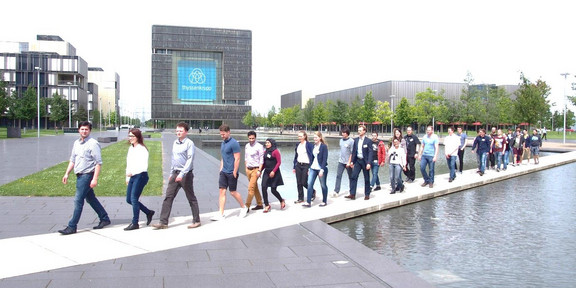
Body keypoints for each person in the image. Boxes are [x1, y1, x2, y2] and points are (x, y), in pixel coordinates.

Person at [58, 121, 111, 235]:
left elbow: (98, 163)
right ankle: (104, 218)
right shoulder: (76, 143)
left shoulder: (93, 143)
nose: (84, 131)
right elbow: (73, 159)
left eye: (86, 129)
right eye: (82, 129)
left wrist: (95, 178)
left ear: (90, 131)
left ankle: (72, 226)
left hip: (87, 175)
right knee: (90, 198)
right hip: (79, 174)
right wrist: (66, 173)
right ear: (79, 130)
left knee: (78, 200)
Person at [152, 122, 201, 229]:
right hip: (175, 173)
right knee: (168, 197)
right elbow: (174, 159)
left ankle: (196, 220)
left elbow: (190, 159)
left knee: (191, 197)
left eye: (181, 131)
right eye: (177, 130)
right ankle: (163, 222)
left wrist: (182, 174)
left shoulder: (189, 143)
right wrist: (171, 173)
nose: (178, 132)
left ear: (186, 132)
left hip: (186, 175)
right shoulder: (175, 143)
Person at [211, 124, 248, 221]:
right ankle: (221, 213)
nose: (222, 136)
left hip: (232, 172)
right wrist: (221, 168)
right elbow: (223, 157)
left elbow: (237, 158)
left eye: (223, 134)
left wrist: (235, 171)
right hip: (224, 171)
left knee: (232, 192)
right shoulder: (223, 143)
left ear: (228, 132)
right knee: (222, 191)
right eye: (221, 134)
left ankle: (244, 208)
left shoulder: (234, 143)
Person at [124, 128, 154, 231]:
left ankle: (135, 222)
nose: (130, 138)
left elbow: (143, 165)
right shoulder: (131, 148)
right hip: (132, 176)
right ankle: (148, 212)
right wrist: (127, 177)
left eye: (133, 136)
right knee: (129, 199)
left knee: (133, 198)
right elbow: (129, 163)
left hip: (140, 176)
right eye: (129, 136)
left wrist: (132, 172)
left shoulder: (142, 149)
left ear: (138, 137)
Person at [346, 125, 373, 200]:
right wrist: (352, 162)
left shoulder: (368, 141)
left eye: (360, 130)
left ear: (364, 131)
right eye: (358, 130)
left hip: (365, 161)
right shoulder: (356, 140)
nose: (359, 131)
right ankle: (352, 194)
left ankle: (367, 194)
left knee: (366, 178)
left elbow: (370, 153)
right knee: (353, 176)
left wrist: (369, 163)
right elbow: (354, 152)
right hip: (358, 160)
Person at [303, 131, 329, 207]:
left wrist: (322, 170)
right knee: (310, 184)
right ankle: (308, 202)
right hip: (313, 168)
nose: (315, 139)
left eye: (316, 137)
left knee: (323, 185)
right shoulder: (313, 146)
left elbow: (324, 159)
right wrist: (309, 168)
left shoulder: (323, 146)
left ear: (320, 138)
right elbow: (311, 158)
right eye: (314, 137)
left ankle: (324, 201)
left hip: (321, 168)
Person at [261, 138, 285, 212]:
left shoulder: (275, 151)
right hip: (266, 172)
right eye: (266, 143)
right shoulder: (265, 152)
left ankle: (281, 200)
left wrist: (273, 171)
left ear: (272, 143)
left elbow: (279, 162)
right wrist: (260, 171)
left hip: (274, 172)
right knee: (263, 187)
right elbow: (264, 163)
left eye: (268, 143)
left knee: (273, 190)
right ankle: (267, 205)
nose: (267, 144)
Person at [244, 131, 264, 211]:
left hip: (256, 169)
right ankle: (259, 203)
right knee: (254, 187)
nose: (251, 140)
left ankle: (246, 206)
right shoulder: (247, 146)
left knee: (251, 188)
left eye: (253, 138)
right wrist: (246, 167)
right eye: (250, 138)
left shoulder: (259, 146)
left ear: (255, 138)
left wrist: (259, 170)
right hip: (248, 169)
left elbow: (261, 159)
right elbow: (246, 157)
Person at [292, 130, 314, 203]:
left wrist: (310, 167)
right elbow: (296, 156)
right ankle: (300, 198)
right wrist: (294, 167)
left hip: (306, 165)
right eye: (298, 136)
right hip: (298, 165)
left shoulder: (309, 145)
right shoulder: (298, 145)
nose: (299, 138)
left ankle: (312, 191)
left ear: (304, 136)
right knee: (298, 182)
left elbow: (312, 156)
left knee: (304, 182)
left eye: (301, 136)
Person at [331, 127, 354, 198]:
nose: (342, 134)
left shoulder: (351, 141)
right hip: (341, 161)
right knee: (338, 176)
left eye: (344, 133)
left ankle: (352, 192)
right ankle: (336, 191)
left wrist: (349, 162)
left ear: (347, 133)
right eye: (342, 132)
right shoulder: (341, 140)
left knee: (351, 177)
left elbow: (352, 153)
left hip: (348, 162)